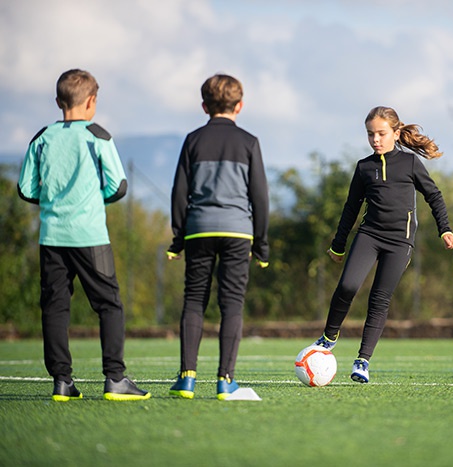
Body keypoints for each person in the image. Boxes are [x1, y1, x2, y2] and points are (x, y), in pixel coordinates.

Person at [17, 69, 151, 401]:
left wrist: (53, 202)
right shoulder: (98, 135)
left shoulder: (42, 137)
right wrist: (90, 199)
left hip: (51, 237)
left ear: (58, 101)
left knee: (55, 307)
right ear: (91, 101)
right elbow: (118, 186)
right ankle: (115, 379)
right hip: (90, 236)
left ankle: (62, 381)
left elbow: (25, 189)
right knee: (109, 305)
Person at [312, 106, 453, 383]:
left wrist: (445, 230)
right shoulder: (364, 167)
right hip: (369, 235)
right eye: (370, 134)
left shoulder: (411, 163)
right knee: (347, 286)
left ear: (396, 133)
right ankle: (329, 337)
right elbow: (351, 207)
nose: (375, 140)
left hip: (399, 242)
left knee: (379, 299)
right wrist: (338, 244)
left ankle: (362, 361)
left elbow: (434, 196)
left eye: (381, 133)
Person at [167, 73, 269, 400]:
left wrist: (178, 238)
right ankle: (226, 381)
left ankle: (187, 378)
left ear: (203, 106)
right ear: (240, 106)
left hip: (198, 229)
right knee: (232, 304)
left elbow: (179, 192)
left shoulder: (192, 140)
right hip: (238, 231)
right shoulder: (249, 142)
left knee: (194, 300)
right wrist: (262, 245)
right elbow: (260, 197)